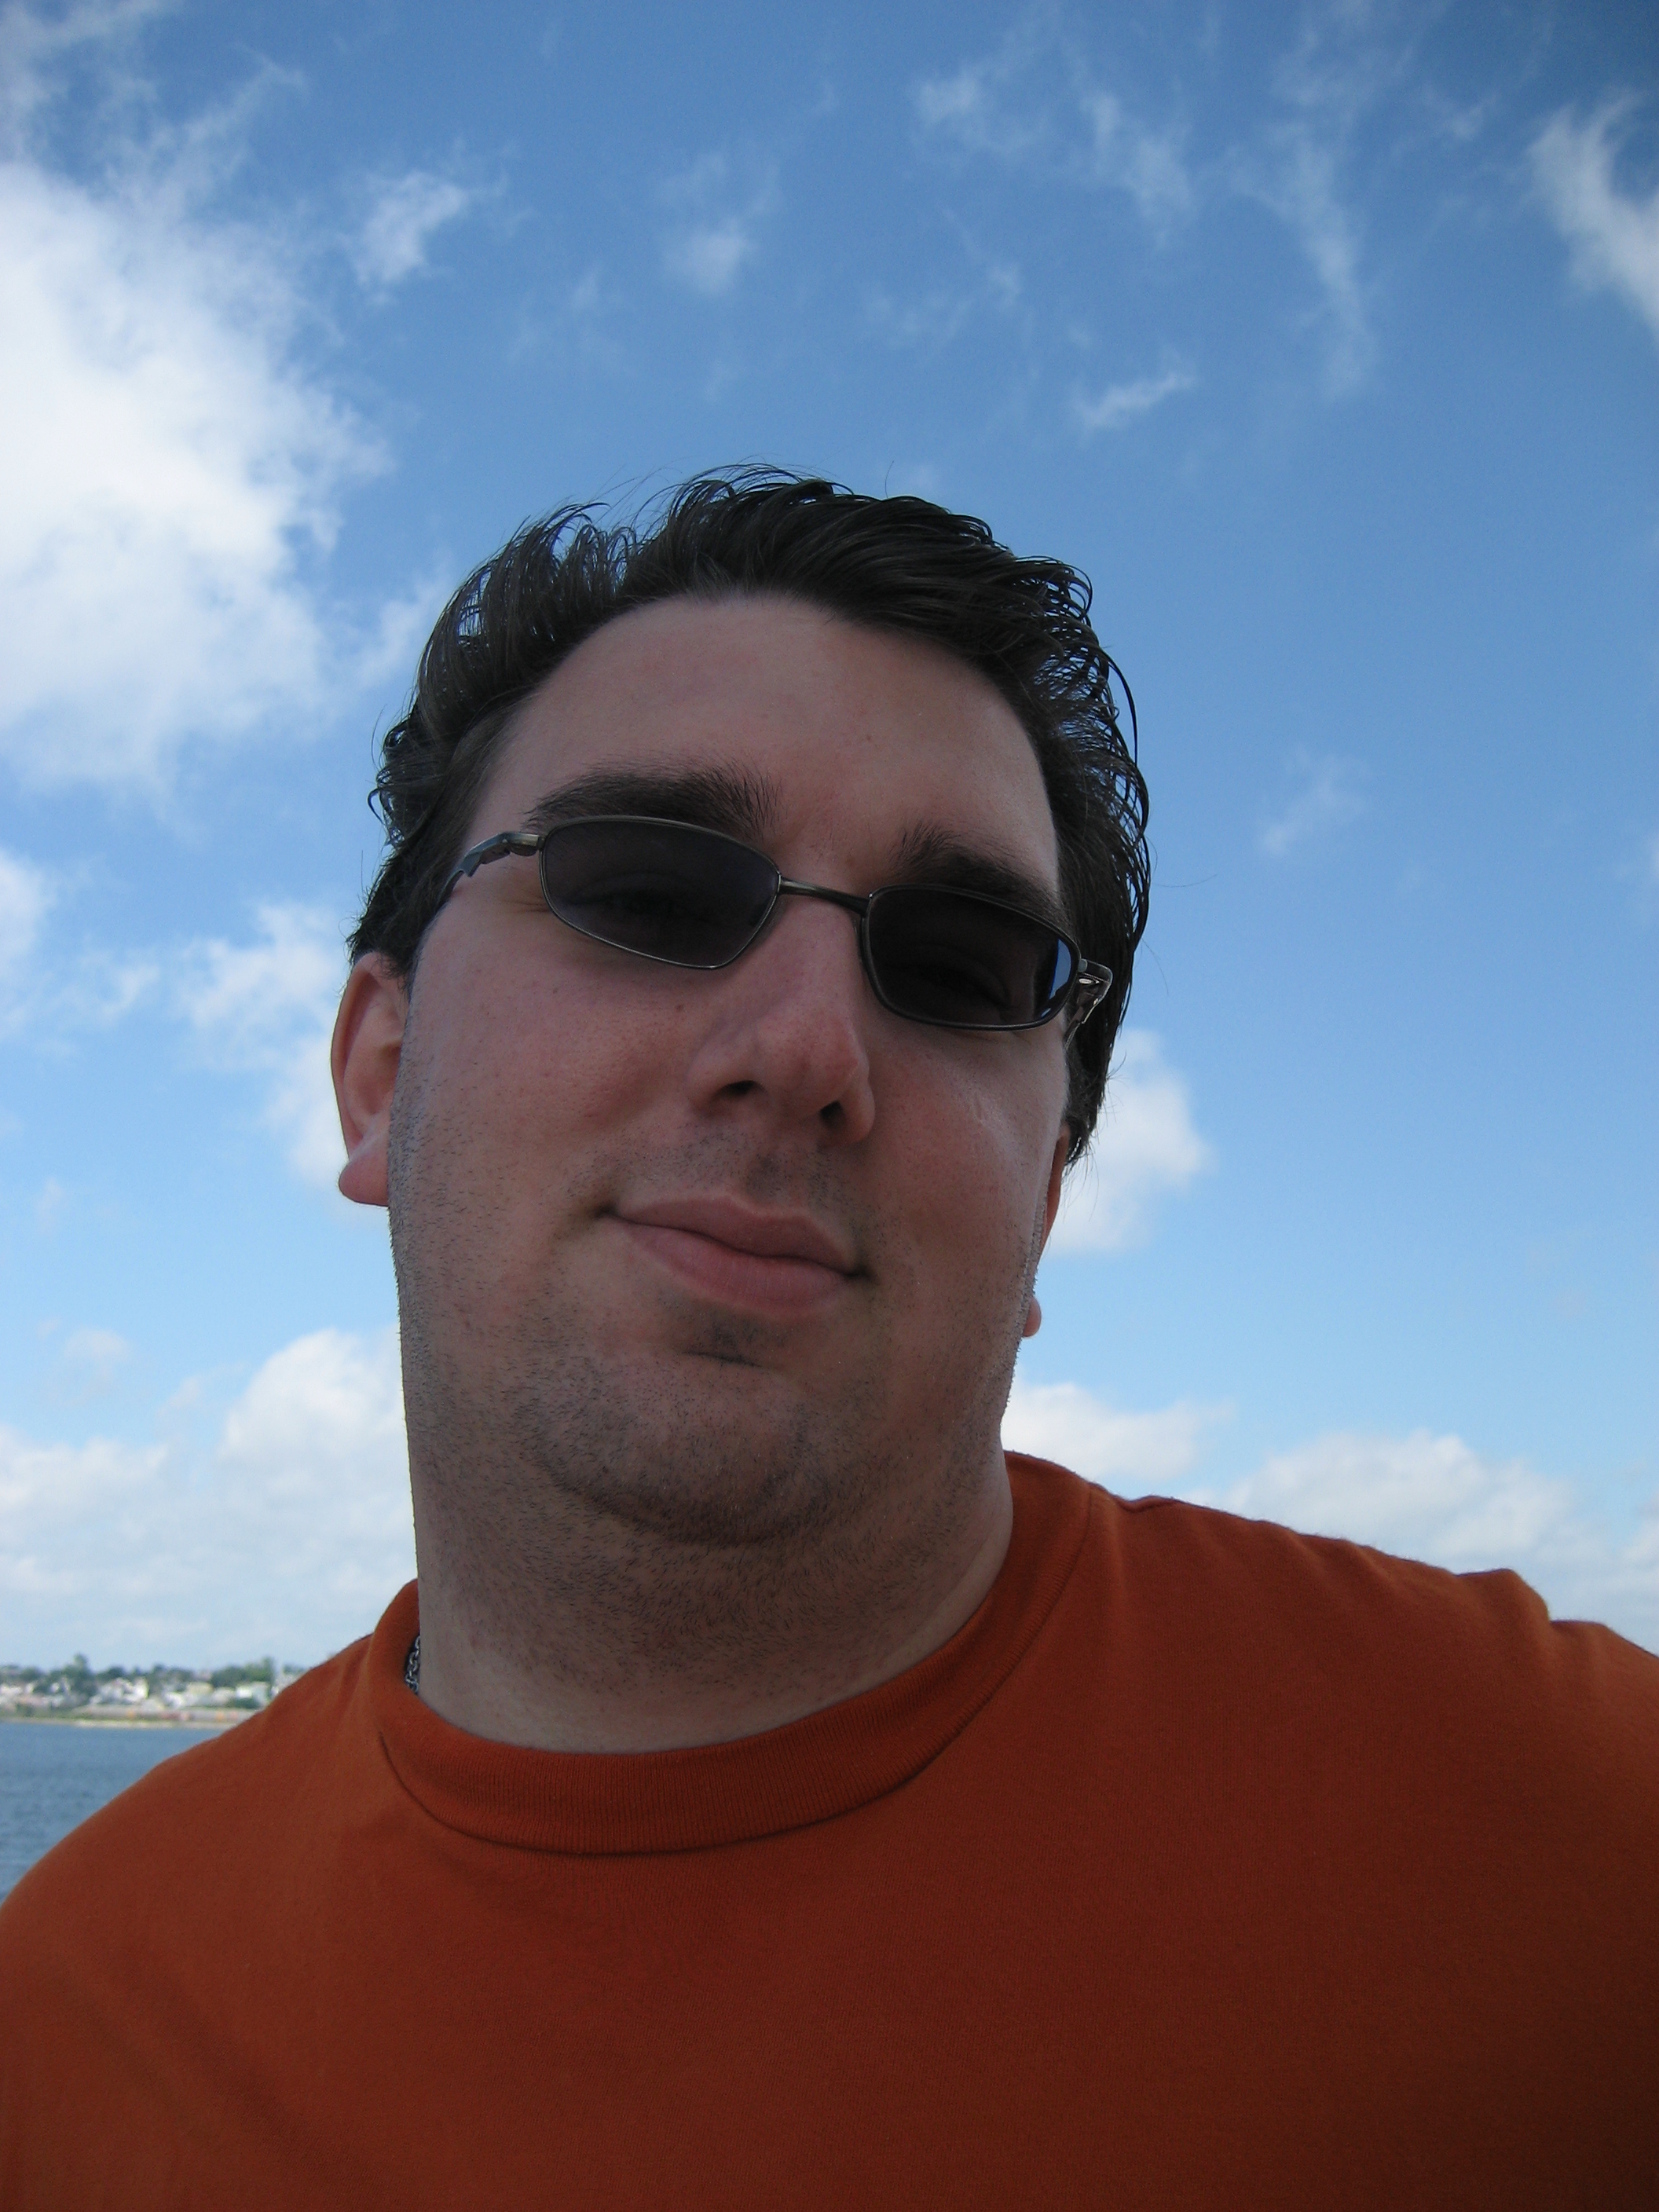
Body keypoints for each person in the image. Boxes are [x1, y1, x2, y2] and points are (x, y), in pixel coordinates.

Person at [1, 472, 1655, 2209]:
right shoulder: (68, 2025)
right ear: (380, 1069)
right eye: (648, 887)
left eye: (962, 963)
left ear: (1045, 1206)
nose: (802, 1049)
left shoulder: (1559, 1837)